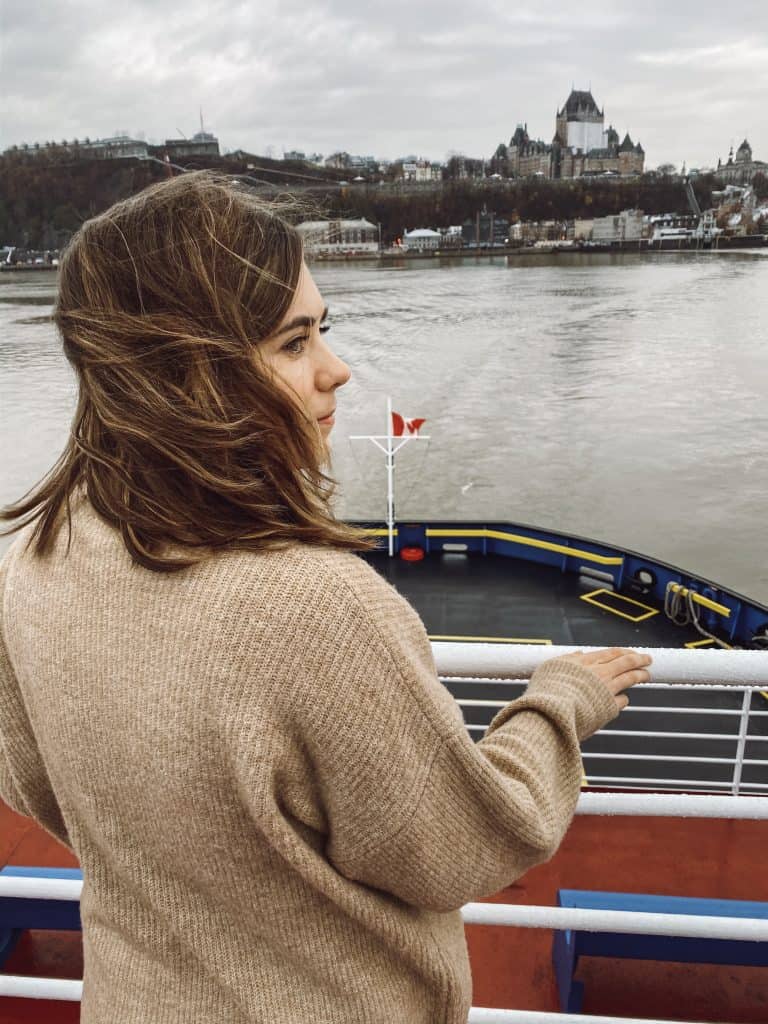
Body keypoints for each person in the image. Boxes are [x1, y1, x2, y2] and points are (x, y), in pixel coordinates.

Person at [0, 171, 652, 1024]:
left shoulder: (38, 556)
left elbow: (31, 780)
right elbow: (465, 847)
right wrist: (560, 705)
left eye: (324, 331)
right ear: (187, 372)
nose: (337, 371)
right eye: (294, 342)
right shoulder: (309, 606)